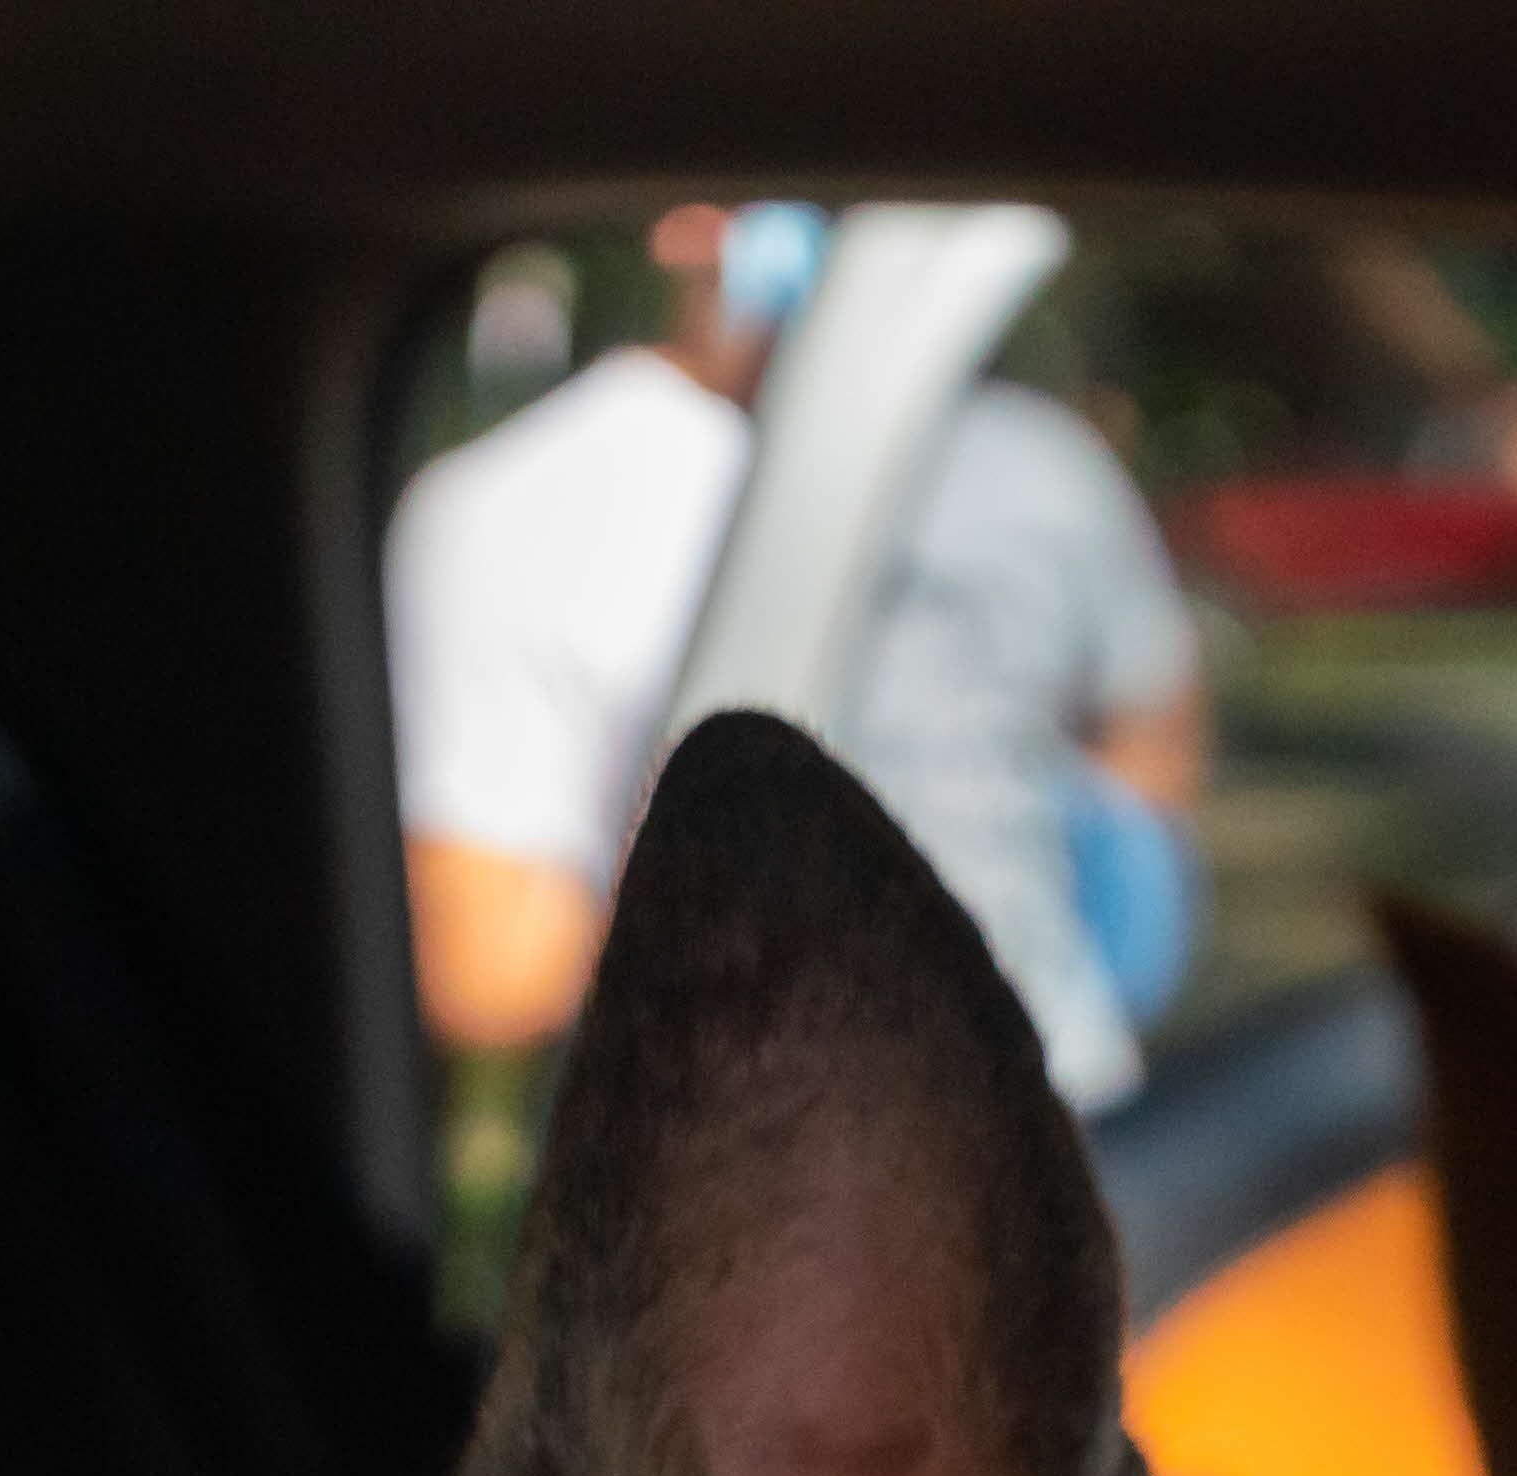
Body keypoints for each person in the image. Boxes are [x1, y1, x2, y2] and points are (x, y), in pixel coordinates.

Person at [386, 203, 1215, 1106]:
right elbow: (484, 968)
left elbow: (1152, 713)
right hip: (822, 1147)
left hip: (989, 1122)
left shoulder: (1041, 464)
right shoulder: (511, 511)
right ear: (685, 228)